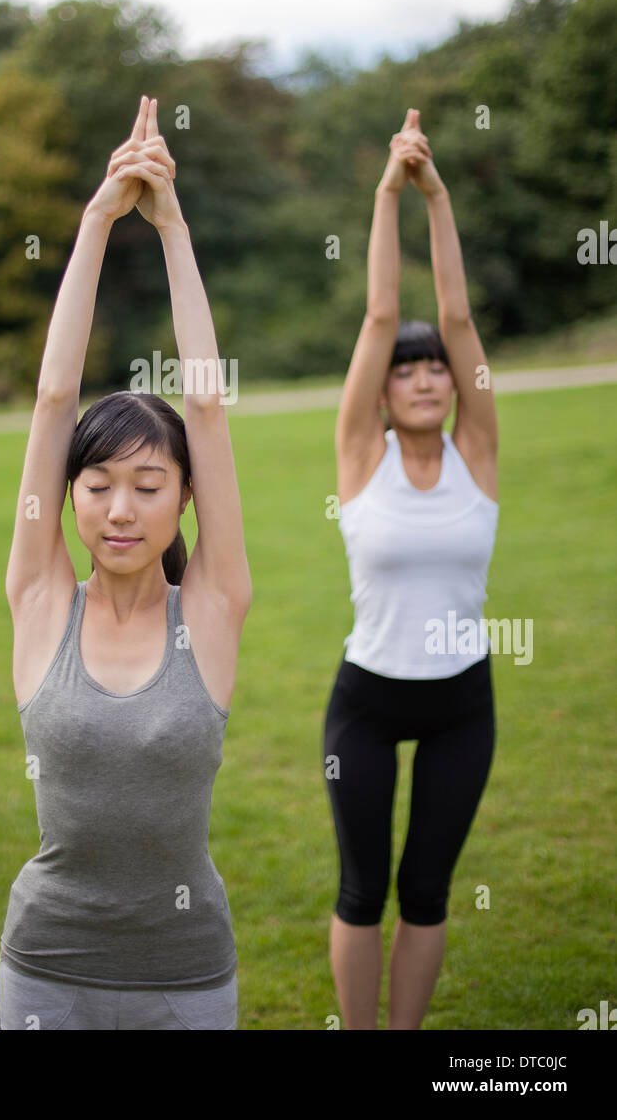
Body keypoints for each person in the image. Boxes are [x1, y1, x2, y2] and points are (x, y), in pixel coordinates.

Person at [0, 95, 251, 1031]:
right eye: (97, 483)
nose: (118, 508)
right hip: (45, 971)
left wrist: (173, 227)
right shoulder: (39, 601)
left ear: (185, 497)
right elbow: (54, 395)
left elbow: (208, 405)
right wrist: (98, 220)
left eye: (148, 485)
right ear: (68, 494)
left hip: (186, 977)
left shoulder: (214, 608)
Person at [324, 109, 499, 1029]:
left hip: (461, 703)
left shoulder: (479, 455)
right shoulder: (363, 457)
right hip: (367, 699)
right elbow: (381, 314)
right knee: (363, 890)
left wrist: (438, 193)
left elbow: (457, 315)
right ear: (384, 393)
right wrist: (389, 191)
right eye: (408, 371)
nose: (428, 377)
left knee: (426, 890)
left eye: (437, 370)